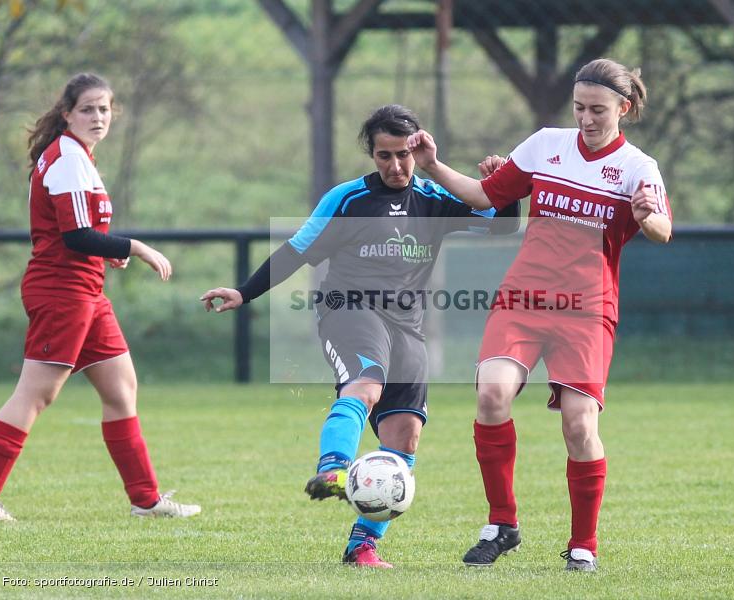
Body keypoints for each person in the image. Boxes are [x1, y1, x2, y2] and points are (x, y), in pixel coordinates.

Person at [201, 104, 518, 568]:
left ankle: (362, 547)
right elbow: (296, 251)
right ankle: (332, 469)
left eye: (403, 155)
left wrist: (504, 186)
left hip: (407, 326)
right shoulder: (347, 200)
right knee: (366, 384)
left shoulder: (434, 199)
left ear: (419, 149)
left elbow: (504, 225)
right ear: (371, 154)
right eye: (384, 155)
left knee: (405, 436)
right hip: (348, 311)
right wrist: (244, 292)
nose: (394, 166)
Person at [408, 58, 672, 572]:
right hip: (524, 298)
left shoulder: (639, 168)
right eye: (579, 107)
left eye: (598, 109)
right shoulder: (546, 145)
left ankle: (583, 547)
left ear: (624, 107)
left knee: (578, 425)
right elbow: (485, 195)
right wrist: (434, 166)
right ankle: (502, 523)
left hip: (587, 309)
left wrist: (648, 216)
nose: (587, 118)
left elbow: (662, 228)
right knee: (491, 393)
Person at [0, 73, 200, 522]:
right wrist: (135, 248)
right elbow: (77, 235)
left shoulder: (77, 156)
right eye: (88, 109)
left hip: (85, 291)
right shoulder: (65, 156)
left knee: (121, 390)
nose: (98, 117)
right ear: (67, 113)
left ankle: (146, 500)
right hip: (61, 292)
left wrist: (109, 256)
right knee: (35, 395)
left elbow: (84, 236)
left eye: (104, 108)